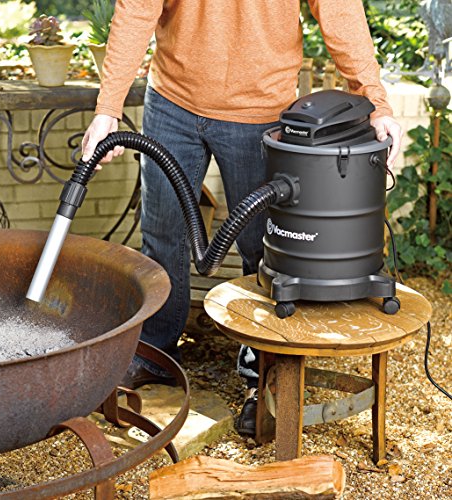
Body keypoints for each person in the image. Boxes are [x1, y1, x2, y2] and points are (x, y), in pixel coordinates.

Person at [82, 0, 403, 437]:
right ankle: (156, 353)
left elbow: (338, 9)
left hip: (261, 112)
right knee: (162, 237)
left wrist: (375, 101)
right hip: (172, 103)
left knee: (264, 246)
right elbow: (137, 9)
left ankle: (263, 373)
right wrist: (108, 107)